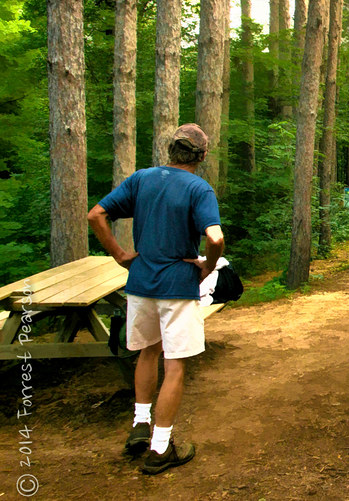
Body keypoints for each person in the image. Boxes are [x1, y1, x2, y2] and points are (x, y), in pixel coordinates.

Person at [87, 123, 224, 475]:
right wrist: (206, 267)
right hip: (177, 286)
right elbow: (215, 236)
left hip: (141, 282)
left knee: (148, 351)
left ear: (169, 149)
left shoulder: (141, 179)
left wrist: (119, 254)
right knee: (175, 363)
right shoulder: (199, 188)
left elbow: (96, 214)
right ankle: (161, 448)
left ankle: (140, 423)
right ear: (202, 155)